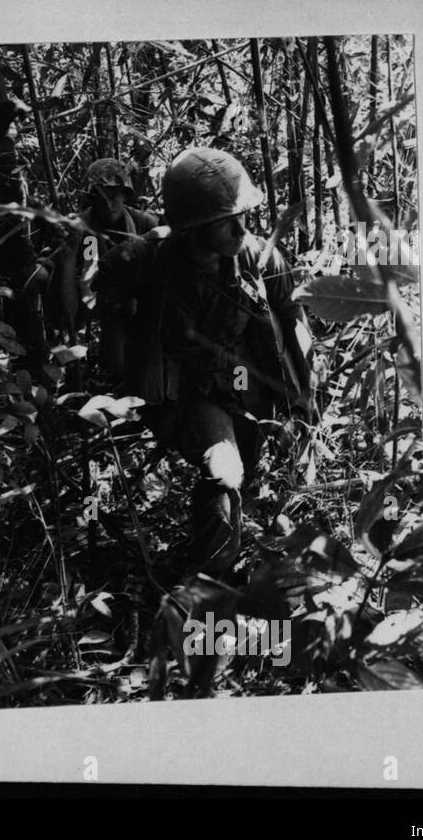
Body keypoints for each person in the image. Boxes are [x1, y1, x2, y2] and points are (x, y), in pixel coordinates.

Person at [91, 147, 317, 582]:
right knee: (224, 472)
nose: (240, 229)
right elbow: (103, 288)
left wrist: (305, 403)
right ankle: (209, 581)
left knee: (244, 467)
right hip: (188, 389)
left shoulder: (260, 259)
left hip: (244, 378)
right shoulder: (146, 260)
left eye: (243, 216)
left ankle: (221, 544)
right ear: (191, 228)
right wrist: (122, 369)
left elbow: (294, 331)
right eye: (223, 221)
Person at [40, 158, 162, 341]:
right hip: (88, 311)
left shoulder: (144, 223)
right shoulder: (77, 227)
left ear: (125, 195)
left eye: (113, 196)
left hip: (135, 312)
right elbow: (52, 280)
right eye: (100, 197)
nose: (107, 204)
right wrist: (66, 254)